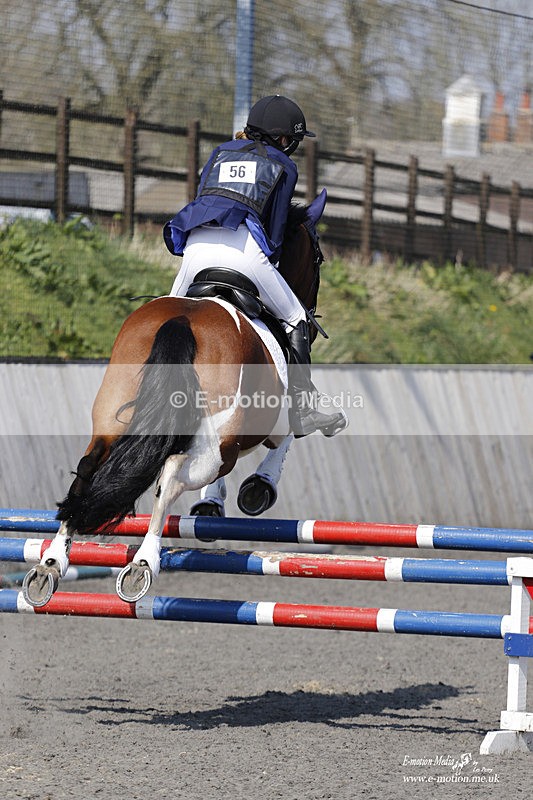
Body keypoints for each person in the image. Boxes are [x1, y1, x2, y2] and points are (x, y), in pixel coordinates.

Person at [163, 94, 347, 438]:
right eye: (291, 139)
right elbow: (275, 236)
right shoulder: (284, 166)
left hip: (195, 248)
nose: (292, 145)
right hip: (244, 251)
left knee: (168, 316)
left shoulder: (220, 152)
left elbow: (205, 197)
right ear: (281, 138)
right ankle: (302, 409)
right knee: (295, 319)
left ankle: (145, 395)